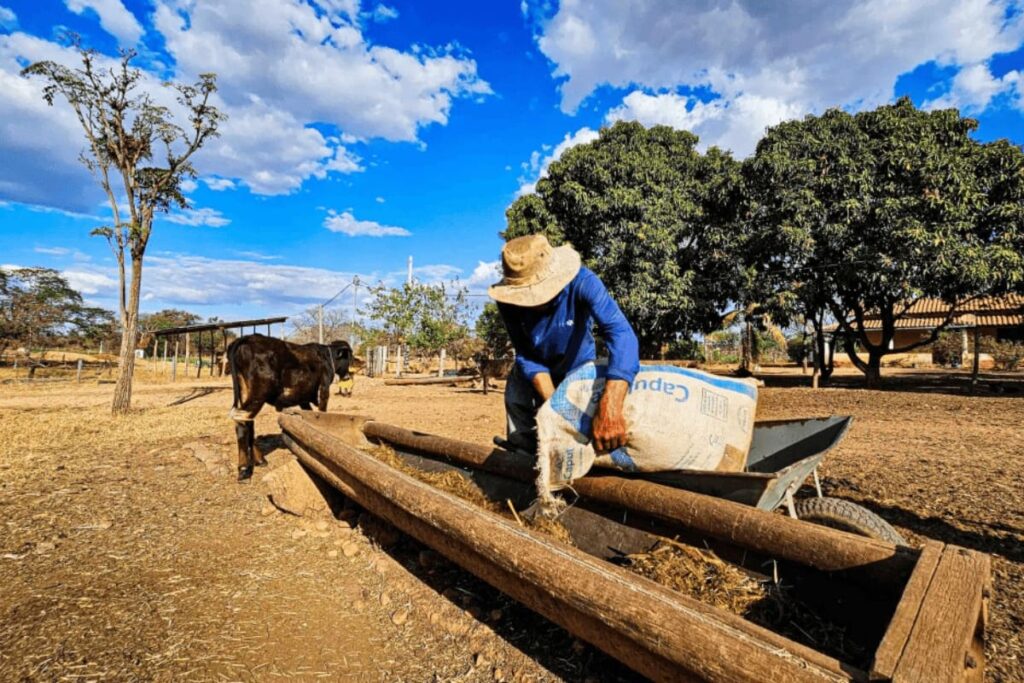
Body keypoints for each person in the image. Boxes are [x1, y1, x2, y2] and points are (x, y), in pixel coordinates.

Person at [488, 234, 640, 455]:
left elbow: (621, 333)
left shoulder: (583, 282)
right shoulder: (508, 302)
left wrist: (611, 407)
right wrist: (555, 404)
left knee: (583, 438)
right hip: (538, 371)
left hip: (579, 368)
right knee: (517, 393)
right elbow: (525, 353)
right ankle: (523, 460)